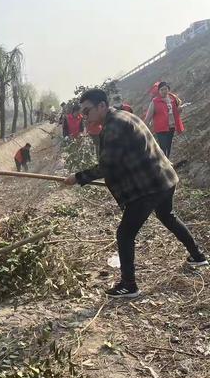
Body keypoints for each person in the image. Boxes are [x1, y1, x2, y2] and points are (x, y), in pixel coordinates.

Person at [64, 89, 207, 298]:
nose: (85, 117)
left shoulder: (113, 127)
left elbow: (108, 166)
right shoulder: (124, 116)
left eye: (87, 111)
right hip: (164, 177)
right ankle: (198, 256)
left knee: (125, 233)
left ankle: (129, 285)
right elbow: (126, 158)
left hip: (149, 186)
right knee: (167, 215)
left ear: (102, 106)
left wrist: (77, 177)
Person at [144, 81, 184, 158]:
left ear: (168, 89)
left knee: (169, 145)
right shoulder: (155, 102)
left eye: (165, 89)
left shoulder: (172, 99)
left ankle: (167, 161)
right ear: (159, 91)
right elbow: (148, 117)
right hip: (161, 129)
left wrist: (179, 110)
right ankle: (163, 162)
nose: (164, 91)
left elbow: (176, 113)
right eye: (162, 90)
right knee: (163, 147)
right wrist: (143, 128)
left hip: (171, 127)